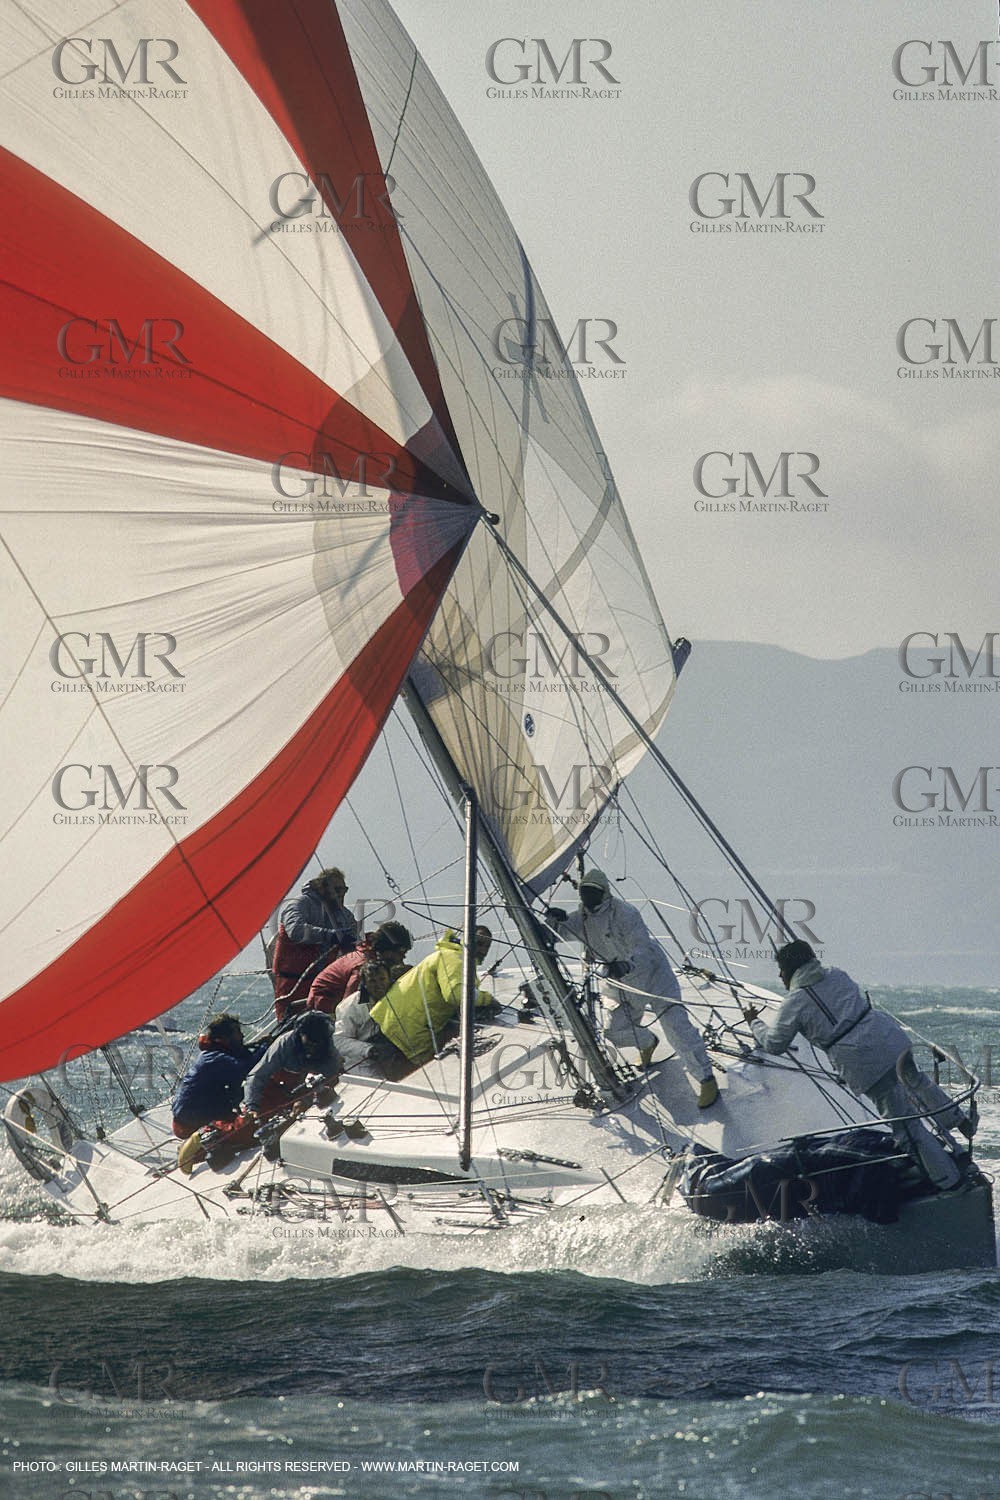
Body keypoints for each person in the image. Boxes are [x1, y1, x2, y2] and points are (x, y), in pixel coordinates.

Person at [743, 941, 971, 1192]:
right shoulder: (838, 975)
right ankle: (958, 1122)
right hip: (890, 1039)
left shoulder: (795, 1002)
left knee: (906, 1126)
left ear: (790, 969)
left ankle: (949, 1182)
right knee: (918, 1083)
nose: (779, 976)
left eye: (781, 970)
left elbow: (775, 1044)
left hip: (864, 1061)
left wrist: (755, 1023)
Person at [545, 869, 718, 1107]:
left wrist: (628, 964)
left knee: (676, 1027)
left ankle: (707, 1079)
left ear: (604, 892)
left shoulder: (626, 913)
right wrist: (554, 918)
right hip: (621, 982)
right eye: (583, 892)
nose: (587, 897)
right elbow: (556, 933)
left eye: (592, 892)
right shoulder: (581, 919)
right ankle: (648, 1042)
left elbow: (643, 948)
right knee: (613, 1032)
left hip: (654, 975)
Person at [367, 929, 497, 1072]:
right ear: (466, 940)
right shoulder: (455, 958)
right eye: (479, 943)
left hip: (393, 1024)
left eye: (487, 946)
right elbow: (455, 994)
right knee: (410, 1086)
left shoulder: (450, 955)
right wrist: (487, 999)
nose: (483, 950)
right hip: (400, 1033)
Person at [170, 1014, 265, 1173]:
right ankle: (200, 1137)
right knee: (246, 1131)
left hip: (194, 1112)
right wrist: (266, 1048)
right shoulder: (213, 1059)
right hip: (188, 1121)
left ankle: (198, 1148)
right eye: (237, 1033)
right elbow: (244, 1069)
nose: (242, 1036)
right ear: (224, 1039)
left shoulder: (217, 1053)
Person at [270, 867, 358, 1021]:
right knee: (294, 1027)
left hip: (324, 984)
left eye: (344, 890)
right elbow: (295, 930)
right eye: (336, 889)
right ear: (322, 888)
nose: (341, 894)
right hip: (294, 984)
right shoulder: (300, 904)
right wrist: (331, 936)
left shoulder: (345, 916)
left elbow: (355, 944)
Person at [244, 1010, 343, 1123]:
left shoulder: (331, 1050)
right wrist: (251, 1106)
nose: (313, 1047)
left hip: (311, 1093)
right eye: (310, 1042)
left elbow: (330, 1080)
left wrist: (305, 1101)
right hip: (280, 1091)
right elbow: (258, 1075)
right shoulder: (284, 1044)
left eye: (318, 1043)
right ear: (300, 1033)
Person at [307, 920, 413, 1015]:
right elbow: (349, 1003)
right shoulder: (363, 967)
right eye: (401, 952)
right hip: (324, 1004)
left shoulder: (374, 958)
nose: (403, 956)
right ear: (387, 950)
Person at [333, 959, 394, 1070]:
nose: (378, 985)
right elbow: (339, 1041)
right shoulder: (349, 1006)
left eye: (382, 979)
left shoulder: (397, 995)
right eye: (372, 981)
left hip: (393, 1053)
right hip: (362, 1060)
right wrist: (367, 1049)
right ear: (364, 984)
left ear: (389, 979)